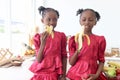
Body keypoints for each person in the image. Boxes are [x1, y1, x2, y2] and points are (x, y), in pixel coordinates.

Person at [66, 8, 107, 80]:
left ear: (95, 22)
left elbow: (101, 60)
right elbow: (71, 63)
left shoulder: (100, 39)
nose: (87, 22)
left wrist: (96, 75)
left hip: (93, 74)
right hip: (77, 74)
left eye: (90, 20)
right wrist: (78, 50)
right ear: (80, 21)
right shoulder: (74, 39)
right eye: (84, 20)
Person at [29, 6, 67, 80]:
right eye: (48, 19)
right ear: (42, 20)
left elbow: (64, 56)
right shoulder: (38, 37)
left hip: (55, 71)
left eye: (55, 20)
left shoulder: (61, 36)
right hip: (41, 71)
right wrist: (43, 43)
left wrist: (64, 75)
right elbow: (39, 60)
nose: (52, 22)